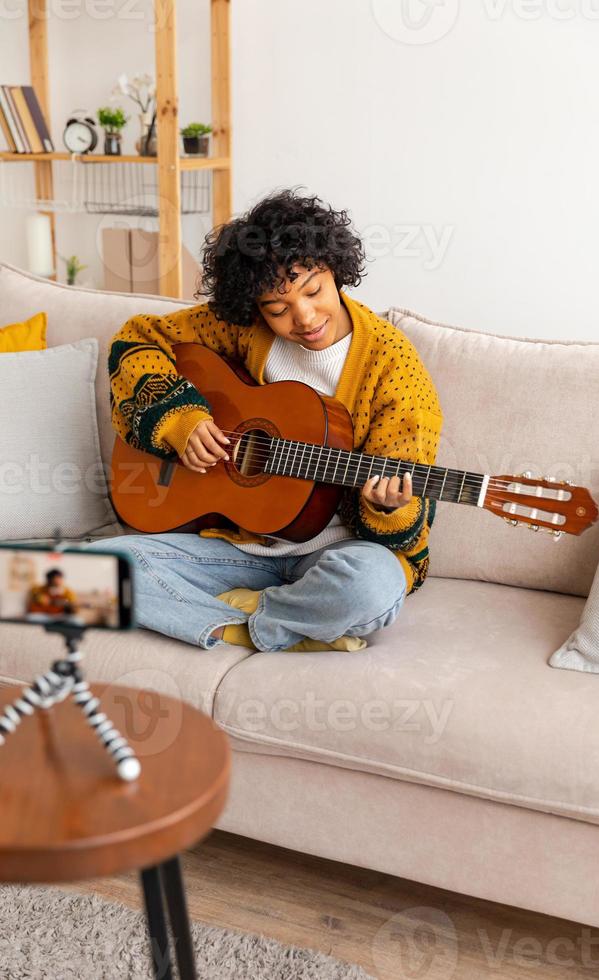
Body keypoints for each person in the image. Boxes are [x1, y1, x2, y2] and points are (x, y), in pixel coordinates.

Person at [87, 188, 443, 652]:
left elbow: (400, 498)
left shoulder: (391, 362)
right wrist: (181, 421)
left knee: (371, 588)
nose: (305, 317)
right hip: (238, 549)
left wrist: (389, 505)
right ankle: (286, 626)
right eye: (278, 309)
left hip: (337, 553)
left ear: (336, 270)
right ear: (255, 307)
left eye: (314, 290)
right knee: (83, 571)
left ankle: (252, 619)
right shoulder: (240, 329)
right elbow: (137, 338)